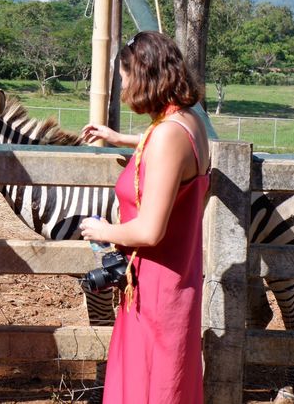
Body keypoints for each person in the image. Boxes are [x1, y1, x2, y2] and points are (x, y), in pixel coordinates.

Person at [79, 31, 209, 404]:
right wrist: (122, 138)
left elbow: (151, 230)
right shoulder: (187, 122)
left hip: (156, 289)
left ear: (145, 76)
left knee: (151, 386)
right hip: (171, 281)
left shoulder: (168, 136)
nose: (123, 87)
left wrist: (104, 229)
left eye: (125, 78)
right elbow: (168, 148)